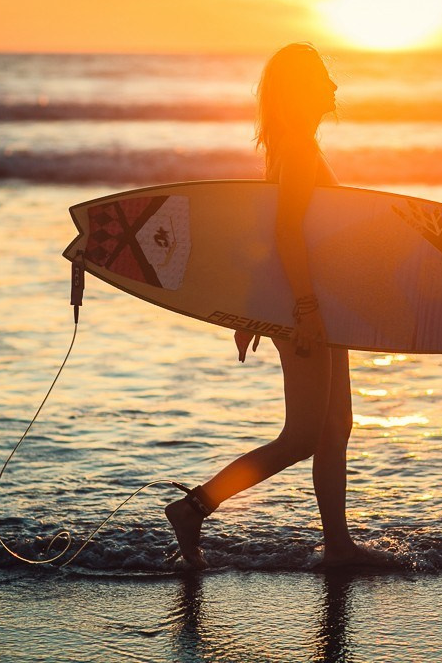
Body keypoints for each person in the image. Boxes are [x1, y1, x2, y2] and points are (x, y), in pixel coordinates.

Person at [165, 43, 391, 569]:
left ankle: (338, 546)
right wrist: (301, 310)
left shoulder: (297, 147)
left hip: (315, 307)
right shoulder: (297, 150)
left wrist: (256, 308)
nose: (333, 87)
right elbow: (284, 233)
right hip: (306, 310)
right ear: (301, 90)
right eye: (322, 78)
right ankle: (195, 507)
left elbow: (271, 240)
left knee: (336, 428)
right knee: (304, 435)